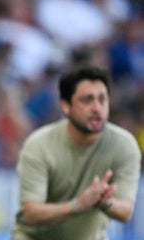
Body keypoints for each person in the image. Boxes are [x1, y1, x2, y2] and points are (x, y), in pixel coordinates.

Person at [11, 65, 141, 240]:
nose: (97, 108)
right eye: (87, 100)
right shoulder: (39, 144)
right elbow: (31, 213)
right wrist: (77, 206)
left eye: (102, 100)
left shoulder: (124, 145)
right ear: (66, 106)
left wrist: (104, 202)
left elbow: (125, 211)